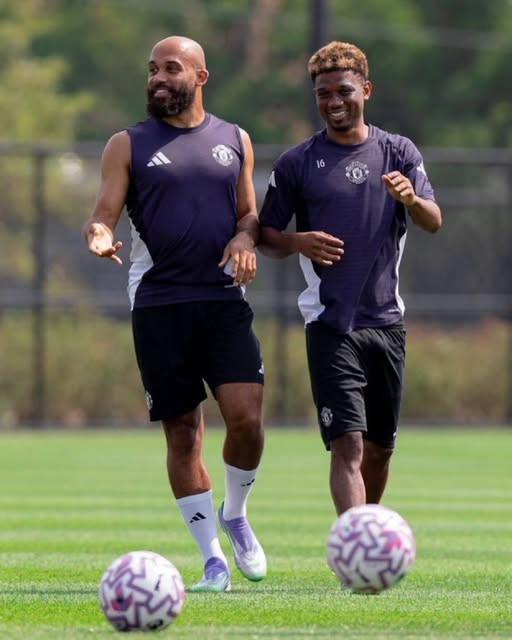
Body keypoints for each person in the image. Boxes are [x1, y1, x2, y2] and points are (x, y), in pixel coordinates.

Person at [82, 35, 266, 592]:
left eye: (170, 68)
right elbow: (103, 214)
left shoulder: (234, 138)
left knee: (247, 420)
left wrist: (244, 239)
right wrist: (98, 235)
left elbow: (249, 214)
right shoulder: (127, 144)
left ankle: (235, 513)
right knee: (183, 434)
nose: (158, 78)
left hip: (223, 298)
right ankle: (212, 560)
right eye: (152, 70)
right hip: (159, 303)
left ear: (200, 77)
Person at [258, 41, 442, 516]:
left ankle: (366, 534)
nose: (333, 102)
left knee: (380, 450)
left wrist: (411, 199)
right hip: (330, 324)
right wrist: (298, 241)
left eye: (343, 90)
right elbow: (266, 236)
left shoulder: (398, 151)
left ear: (366, 89)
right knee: (348, 445)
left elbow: (433, 220)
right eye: (323, 94)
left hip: (386, 323)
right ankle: (354, 542)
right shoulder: (297, 162)